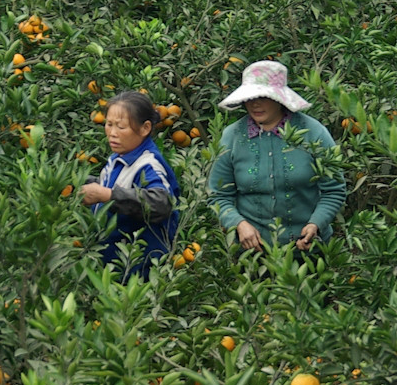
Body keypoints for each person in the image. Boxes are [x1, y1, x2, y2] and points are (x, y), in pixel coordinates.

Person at [208, 60, 346, 253]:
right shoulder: (232, 137)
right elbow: (218, 194)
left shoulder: (313, 133)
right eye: (250, 97)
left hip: (308, 253)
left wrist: (316, 224)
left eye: (263, 96)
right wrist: (238, 224)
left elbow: (334, 190)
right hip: (253, 255)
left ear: (280, 99)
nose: (255, 103)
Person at [80, 91, 180, 280]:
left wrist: (107, 195)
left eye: (121, 127)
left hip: (140, 269)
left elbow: (160, 203)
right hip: (113, 264)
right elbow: (114, 185)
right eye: (109, 125)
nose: (112, 133)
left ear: (145, 128)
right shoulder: (117, 158)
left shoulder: (148, 164)